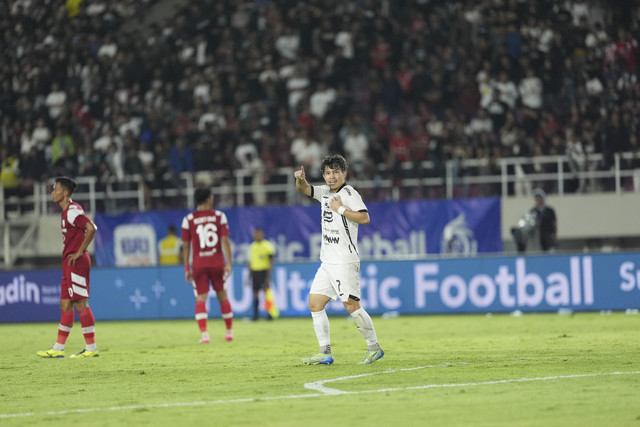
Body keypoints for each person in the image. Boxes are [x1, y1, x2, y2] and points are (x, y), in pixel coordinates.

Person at [294, 154, 384, 365]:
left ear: (344, 173)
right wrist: (299, 179)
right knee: (315, 304)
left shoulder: (349, 193)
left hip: (344, 260)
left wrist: (340, 209)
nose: (331, 177)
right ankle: (325, 352)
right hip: (327, 262)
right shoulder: (325, 192)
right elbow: (305, 189)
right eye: (327, 173)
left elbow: (365, 218)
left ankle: (374, 347)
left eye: (335, 172)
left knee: (352, 306)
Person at [37, 177, 99, 358]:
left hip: (76, 262)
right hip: (69, 262)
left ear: (64, 193)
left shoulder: (72, 211)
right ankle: (58, 349)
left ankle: (91, 348)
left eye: (55, 189)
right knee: (65, 303)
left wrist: (80, 251)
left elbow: (92, 227)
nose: (52, 192)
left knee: (80, 302)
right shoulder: (68, 211)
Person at [181, 188, 233, 343]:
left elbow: (186, 246)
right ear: (209, 199)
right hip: (216, 262)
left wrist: (186, 268)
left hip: (199, 264)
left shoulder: (188, 219)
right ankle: (229, 332)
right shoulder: (219, 216)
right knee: (222, 295)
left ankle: (204, 335)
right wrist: (229, 263)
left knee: (201, 298)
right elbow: (224, 240)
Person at [248, 227, 276, 321]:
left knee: (266, 293)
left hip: (264, 272)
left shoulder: (268, 246)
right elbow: (251, 262)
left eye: (258, 234)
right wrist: (249, 276)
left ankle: (269, 314)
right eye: (255, 234)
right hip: (255, 272)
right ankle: (255, 315)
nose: (257, 236)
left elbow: (271, 261)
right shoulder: (252, 246)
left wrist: (268, 276)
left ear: (262, 235)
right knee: (255, 293)